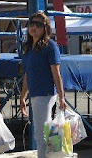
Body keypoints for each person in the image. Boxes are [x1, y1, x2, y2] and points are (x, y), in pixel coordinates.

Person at [20, 12, 66, 158]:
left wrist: (62, 97)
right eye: (31, 24)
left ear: (45, 28)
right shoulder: (28, 48)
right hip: (36, 93)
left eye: (38, 24)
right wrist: (23, 96)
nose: (33, 27)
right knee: (45, 133)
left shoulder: (50, 46)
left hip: (44, 93)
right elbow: (27, 73)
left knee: (41, 136)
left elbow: (56, 73)